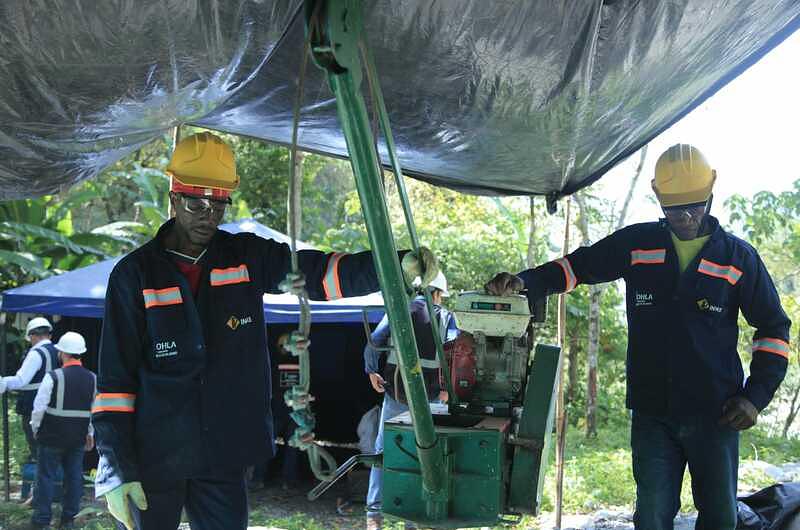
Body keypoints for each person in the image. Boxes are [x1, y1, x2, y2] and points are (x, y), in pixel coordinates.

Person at [91, 131, 438, 530]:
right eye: (197, 203)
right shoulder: (134, 276)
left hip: (223, 454)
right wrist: (116, 469)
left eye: (219, 204)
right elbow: (115, 385)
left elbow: (317, 273)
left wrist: (393, 267)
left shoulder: (245, 256)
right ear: (174, 197)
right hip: (153, 453)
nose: (209, 215)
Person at [486, 144, 791, 530]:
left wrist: (755, 396)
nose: (686, 216)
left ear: (711, 196)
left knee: (719, 518)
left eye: (696, 205)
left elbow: (774, 330)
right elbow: (579, 266)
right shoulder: (638, 244)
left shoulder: (738, 258)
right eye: (675, 208)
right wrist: (525, 282)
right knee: (651, 516)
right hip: (653, 412)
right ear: (659, 200)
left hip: (716, 414)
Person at [363, 271, 455, 529]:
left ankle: (374, 515)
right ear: (436, 293)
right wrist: (448, 389)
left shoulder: (398, 310)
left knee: (383, 452)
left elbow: (373, 342)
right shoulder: (446, 317)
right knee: (423, 455)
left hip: (396, 394)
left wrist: (372, 370)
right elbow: (455, 351)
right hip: (431, 399)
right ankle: (412, 520)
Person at [29, 331, 95, 529]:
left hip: (51, 436)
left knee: (46, 477)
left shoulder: (53, 376)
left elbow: (39, 407)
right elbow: (92, 410)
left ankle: (42, 520)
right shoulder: (92, 378)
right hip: (77, 438)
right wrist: (90, 434)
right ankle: (69, 520)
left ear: (62, 353)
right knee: (74, 477)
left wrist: (36, 428)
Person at [0, 317, 59, 466]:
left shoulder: (35, 353)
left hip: (33, 404)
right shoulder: (58, 350)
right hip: (55, 404)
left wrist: (3, 383)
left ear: (32, 335)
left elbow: (21, 380)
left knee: (37, 446)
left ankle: (41, 485)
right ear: (49, 334)